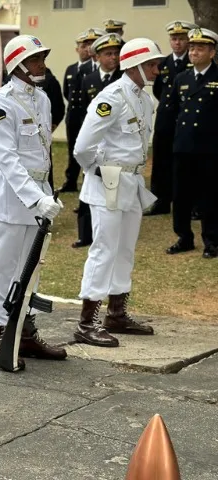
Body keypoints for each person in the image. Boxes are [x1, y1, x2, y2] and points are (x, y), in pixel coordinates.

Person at [0, 35, 67, 371]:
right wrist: (36, 198)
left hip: (39, 196)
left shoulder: (42, 99)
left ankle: (25, 332)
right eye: (34, 59)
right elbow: (8, 160)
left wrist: (46, 193)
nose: (41, 64)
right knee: (2, 270)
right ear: (17, 65)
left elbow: (42, 152)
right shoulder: (1, 104)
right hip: (11, 201)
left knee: (31, 271)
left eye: (42, 58)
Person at [73, 38, 163, 348]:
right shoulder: (111, 97)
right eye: (152, 64)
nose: (157, 68)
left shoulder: (142, 99)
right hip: (108, 181)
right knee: (104, 249)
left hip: (132, 182)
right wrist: (97, 170)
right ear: (136, 66)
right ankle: (87, 322)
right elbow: (83, 146)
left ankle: (116, 313)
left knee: (124, 249)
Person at [166, 28, 218, 259]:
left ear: (212, 52)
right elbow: (174, 111)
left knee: (210, 196)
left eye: (201, 48)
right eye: (192, 47)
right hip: (183, 147)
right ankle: (184, 237)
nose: (194, 52)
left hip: (210, 149)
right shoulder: (181, 78)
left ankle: (212, 241)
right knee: (181, 195)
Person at [73, 33, 124, 249]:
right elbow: (83, 113)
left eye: (116, 53)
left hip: (113, 145)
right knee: (89, 188)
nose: (113, 58)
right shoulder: (88, 79)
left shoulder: (122, 79)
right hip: (93, 144)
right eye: (108, 54)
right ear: (97, 56)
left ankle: (111, 232)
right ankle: (85, 234)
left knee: (112, 192)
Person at [146, 21, 197, 217]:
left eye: (181, 39)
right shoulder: (163, 63)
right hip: (165, 120)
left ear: (187, 41)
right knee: (161, 162)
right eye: (174, 39)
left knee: (187, 163)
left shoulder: (193, 64)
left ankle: (192, 204)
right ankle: (160, 202)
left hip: (186, 121)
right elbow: (160, 90)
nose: (177, 43)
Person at [61, 29, 102, 192]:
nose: (87, 48)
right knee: (73, 149)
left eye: (90, 45)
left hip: (87, 116)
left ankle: (87, 180)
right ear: (77, 48)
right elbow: (66, 92)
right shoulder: (71, 69)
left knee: (88, 149)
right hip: (73, 115)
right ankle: (70, 180)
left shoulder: (93, 69)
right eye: (83, 45)